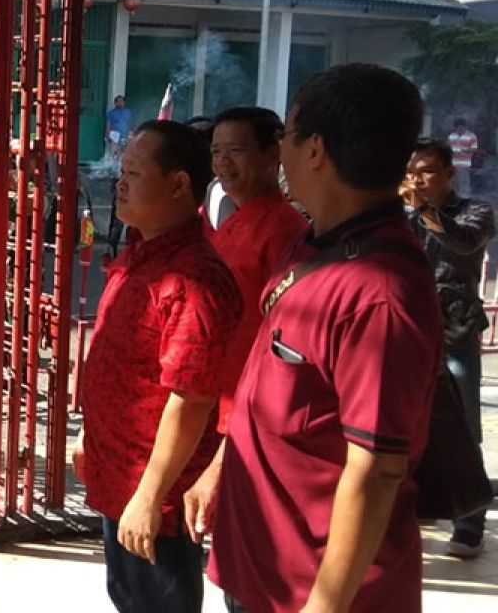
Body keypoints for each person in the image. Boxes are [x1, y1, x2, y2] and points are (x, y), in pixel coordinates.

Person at [208, 64, 442, 613]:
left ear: (315, 149)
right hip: (262, 567)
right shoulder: (315, 245)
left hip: (311, 589)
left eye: (286, 136)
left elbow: (378, 470)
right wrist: (223, 467)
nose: (282, 151)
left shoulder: (378, 293)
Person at [76, 120, 241, 613]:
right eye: (120, 171)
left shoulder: (194, 277)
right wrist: (91, 433)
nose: (119, 183)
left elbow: (191, 398)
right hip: (119, 472)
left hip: (155, 492)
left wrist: (151, 496)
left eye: (133, 172)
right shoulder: (141, 254)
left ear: (178, 184)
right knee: (127, 597)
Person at [181, 107, 307, 541]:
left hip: (252, 406)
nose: (222, 163)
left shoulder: (284, 230)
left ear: (274, 154)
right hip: (218, 397)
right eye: (216, 152)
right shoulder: (231, 221)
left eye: (236, 150)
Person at [403, 137, 495, 558]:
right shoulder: (400, 215)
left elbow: (463, 241)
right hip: (407, 331)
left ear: (449, 174)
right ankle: (416, 508)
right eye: (412, 171)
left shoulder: (475, 211)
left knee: (465, 424)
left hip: (454, 331)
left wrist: (423, 210)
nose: (418, 179)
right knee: (402, 425)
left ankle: (469, 519)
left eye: (426, 171)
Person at [448, 118, 479, 197]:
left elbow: (474, 149)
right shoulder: (451, 136)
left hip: (464, 164)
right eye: (457, 128)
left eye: (461, 128)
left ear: (465, 127)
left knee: (463, 184)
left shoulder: (472, 136)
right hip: (453, 163)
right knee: (453, 183)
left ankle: (465, 201)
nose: (459, 130)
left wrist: (463, 150)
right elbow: (447, 147)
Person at [106, 94, 132, 163]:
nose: (120, 103)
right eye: (118, 101)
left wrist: (130, 134)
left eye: (121, 101)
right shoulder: (111, 113)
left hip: (124, 135)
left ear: (124, 102)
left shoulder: (128, 112)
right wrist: (107, 135)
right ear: (115, 103)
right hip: (114, 135)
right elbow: (108, 124)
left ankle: (120, 168)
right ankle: (113, 168)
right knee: (114, 153)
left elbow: (129, 123)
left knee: (123, 153)